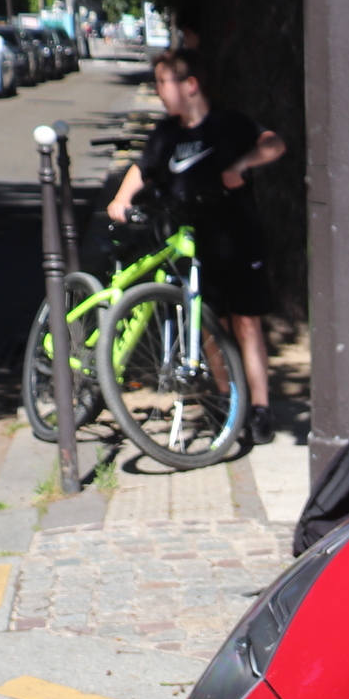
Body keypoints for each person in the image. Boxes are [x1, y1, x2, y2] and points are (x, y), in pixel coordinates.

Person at [104, 50, 287, 446]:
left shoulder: (228, 123)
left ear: (189, 85)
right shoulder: (167, 134)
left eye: (163, 82)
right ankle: (226, 400)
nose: (158, 90)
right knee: (208, 324)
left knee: (246, 323)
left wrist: (242, 165)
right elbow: (142, 167)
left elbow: (273, 143)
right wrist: (122, 198)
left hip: (237, 237)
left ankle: (259, 407)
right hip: (192, 244)